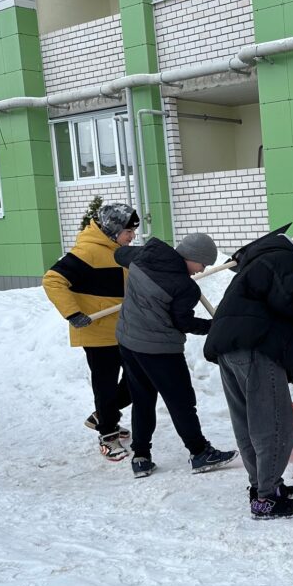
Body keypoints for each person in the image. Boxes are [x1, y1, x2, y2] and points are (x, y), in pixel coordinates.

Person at [204, 233, 293, 520]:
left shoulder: (264, 263)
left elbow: (281, 335)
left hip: (231, 350)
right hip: (254, 352)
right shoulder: (284, 259)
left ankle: (263, 486)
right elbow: (292, 301)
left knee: (249, 422)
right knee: (274, 423)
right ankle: (267, 499)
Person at [115, 232, 237, 479]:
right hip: (160, 350)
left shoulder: (145, 255)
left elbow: (119, 254)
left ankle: (141, 457)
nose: (201, 270)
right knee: (181, 401)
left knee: (142, 399)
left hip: (128, 342)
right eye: (202, 264)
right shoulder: (184, 287)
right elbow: (183, 322)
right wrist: (215, 326)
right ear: (191, 258)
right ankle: (200, 452)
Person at [42, 203, 140, 461]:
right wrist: (73, 313)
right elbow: (52, 280)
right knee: (105, 385)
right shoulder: (87, 252)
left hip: (123, 329)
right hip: (98, 332)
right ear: (113, 229)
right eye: (128, 231)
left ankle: (103, 414)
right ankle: (107, 435)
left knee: (139, 377)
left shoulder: (119, 252)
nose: (132, 236)